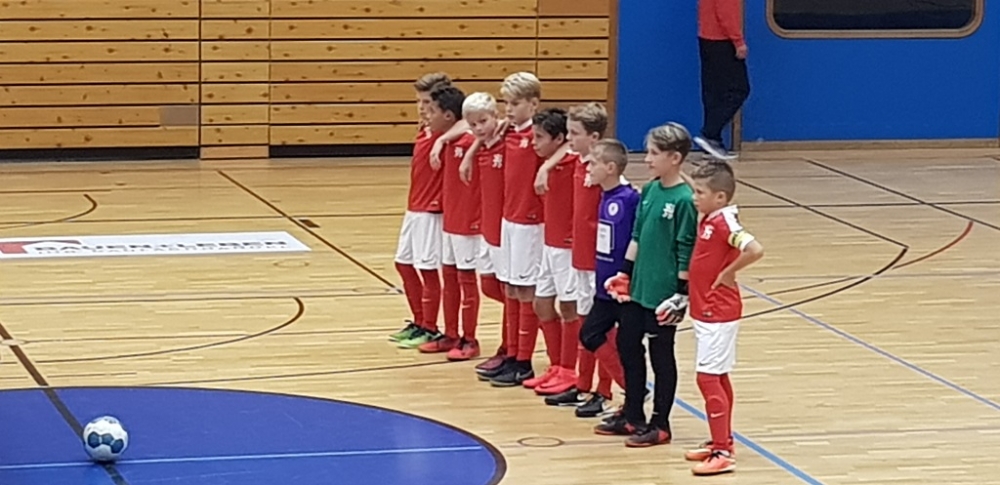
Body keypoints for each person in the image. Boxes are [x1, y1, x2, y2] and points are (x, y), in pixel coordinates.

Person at [597, 123, 698, 448]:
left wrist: (680, 294)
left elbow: (685, 248)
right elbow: (638, 235)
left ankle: (661, 423)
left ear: (675, 158)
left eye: (654, 153)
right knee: (627, 345)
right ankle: (632, 413)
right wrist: (625, 273)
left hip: (663, 294)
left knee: (661, 356)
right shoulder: (651, 190)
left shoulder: (684, 200)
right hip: (638, 289)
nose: (647, 159)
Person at [665, 161, 763, 476]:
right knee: (718, 376)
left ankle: (722, 452)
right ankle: (723, 441)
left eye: (700, 192)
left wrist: (729, 272)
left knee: (707, 378)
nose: (694, 197)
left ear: (720, 197)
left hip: (718, 311)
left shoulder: (725, 222)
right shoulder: (710, 216)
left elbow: (755, 249)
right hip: (706, 309)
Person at [483, 72, 547, 388]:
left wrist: (546, 167)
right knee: (509, 288)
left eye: (516, 103)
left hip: (530, 223)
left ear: (533, 104)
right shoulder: (507, 132)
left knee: (525, 291)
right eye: (506, 102)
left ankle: (524, 361)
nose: (508, 109)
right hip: (509, 218)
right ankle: (511, 352)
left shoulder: (539, 136)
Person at [415, 85, 484, 360]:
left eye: (432, 110)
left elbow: (475, 126)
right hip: (449, 219)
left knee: (467, 280)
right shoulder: (446, 140)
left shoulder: (470, 141)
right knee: (450, 277)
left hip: (468, 221)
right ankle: (451, 333)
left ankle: (470, 338)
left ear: (448, 115)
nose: (426, 114)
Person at [389, 73, 452, 348]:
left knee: (427, 269)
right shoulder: (425, 128)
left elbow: (466, 124)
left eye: (427, 102)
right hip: (414, 205)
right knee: (403, 263)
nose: (422, 108)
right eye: (419, 101)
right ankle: (418, 321)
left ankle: (430, 327)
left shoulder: (446, 131)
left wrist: (441, 139)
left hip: (431, 209)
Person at [523, 108, 578, 396]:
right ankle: (556, 365)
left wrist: (548, 166)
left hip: (568, 246)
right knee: (541, 304)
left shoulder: (573, 161)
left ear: (559, 139)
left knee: (569, 308)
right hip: (550, 242)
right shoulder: (547, 160)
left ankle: (569, 369)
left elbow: (575, 148)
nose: (534, 143)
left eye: (540, 137)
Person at [459, 92, 510, 371]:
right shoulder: (481, 146)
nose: (479, 128)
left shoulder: (507, 140)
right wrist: (471, 151)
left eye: (483, 121)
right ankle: (529, 318)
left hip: (506, 229)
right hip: (486, 227)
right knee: (489, 286)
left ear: (496, 117)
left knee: (511, 293)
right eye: (473, 124)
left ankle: (509, 346)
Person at [694, 0, 750, 161]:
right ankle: (710, 133)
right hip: (722, 41)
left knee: (714, 92)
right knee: (739, 89)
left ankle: (713, 143)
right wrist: (738, 41)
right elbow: (726, 13)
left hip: (707, 38)